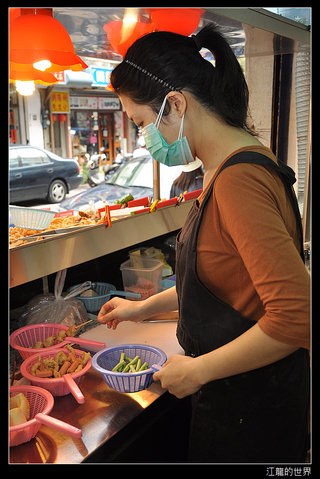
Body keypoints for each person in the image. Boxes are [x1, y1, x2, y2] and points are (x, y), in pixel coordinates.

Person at [97, 24, 310, 463]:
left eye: (141, 124)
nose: (144, 139)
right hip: (244, 399)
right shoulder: (232, 165)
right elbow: (223, 279)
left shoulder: (238, 181)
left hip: (250, 412)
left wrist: (198, 370)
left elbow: (298, 317)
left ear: (175, 104)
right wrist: (141, 307)